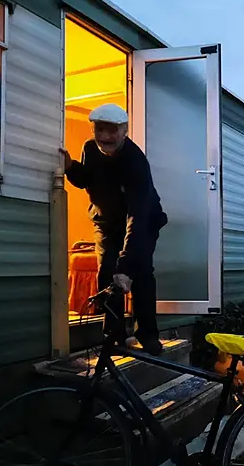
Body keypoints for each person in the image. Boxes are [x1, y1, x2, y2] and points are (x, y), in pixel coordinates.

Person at [61, 103, 167, 356]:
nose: (104, 136)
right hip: (106, 223)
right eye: (99, 129)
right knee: (106, 274)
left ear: (125, 131)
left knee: (140, 274)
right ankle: (114, 335)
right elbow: (86, 178)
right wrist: (70, 168)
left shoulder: (135, 161)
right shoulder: (89, 148)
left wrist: (127, 266)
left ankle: (148, 335)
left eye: (112, 130)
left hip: (143, 221)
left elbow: (138, 217)